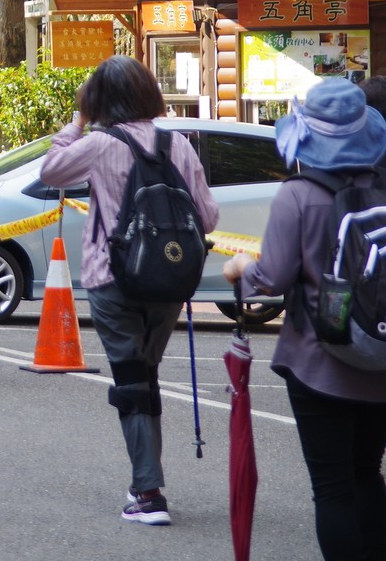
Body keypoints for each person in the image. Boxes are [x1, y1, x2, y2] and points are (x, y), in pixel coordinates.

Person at [39, 56, 218, 525]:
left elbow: (51, 172)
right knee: (146, 377)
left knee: (131, 381)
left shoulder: (99, 142)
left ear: (98, 100)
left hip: (111, 277)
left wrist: (76, 122)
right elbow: (210, 216)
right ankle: (147, 483)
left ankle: (149, 493)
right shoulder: (177, 143)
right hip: (169, 280)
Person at [223, 79, 386, 559]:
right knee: (367, 474)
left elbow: (272, 277)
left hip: (318, 363)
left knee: (332, 490)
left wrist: (239, 270)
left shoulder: (298, 195)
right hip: (381, 356)